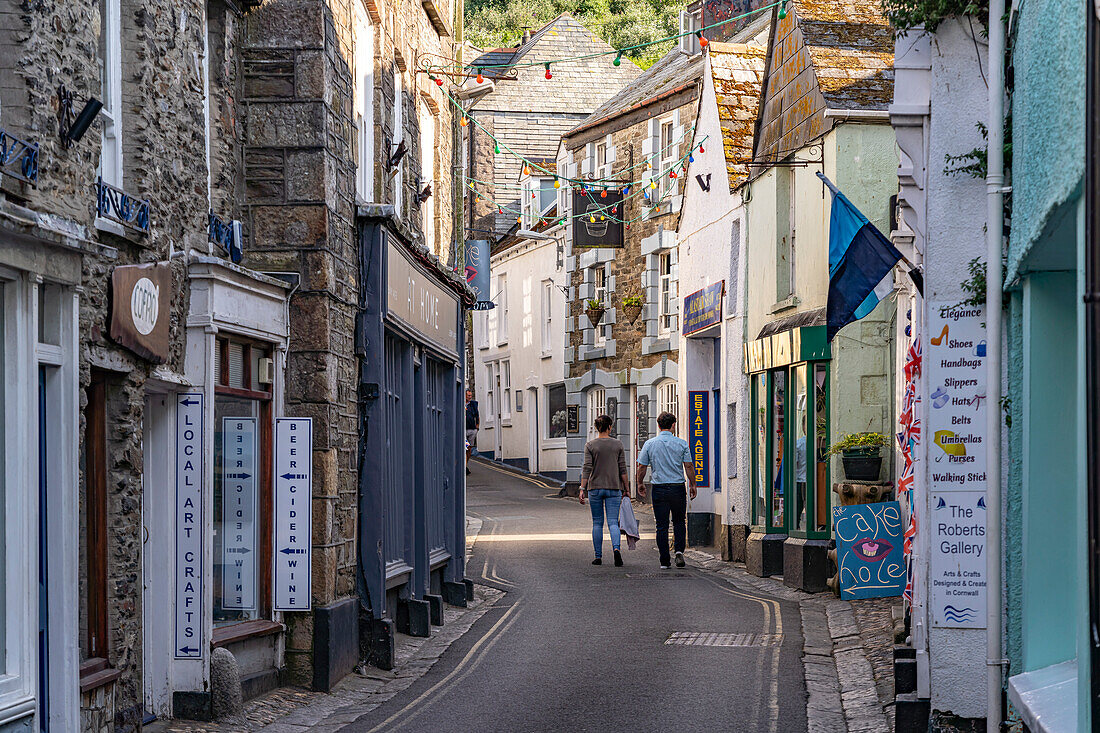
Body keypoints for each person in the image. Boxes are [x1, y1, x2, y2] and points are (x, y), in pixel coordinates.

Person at [636, 411, 697, 569]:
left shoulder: (650, 444)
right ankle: (679, 551)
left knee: (661, 525)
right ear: (673, 425)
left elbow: (642, 466)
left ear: (658, 425)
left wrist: (639, 483)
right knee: (679, 521)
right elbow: (688, 466)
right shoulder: (682, 443)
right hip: (677, 488)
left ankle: (664, 559)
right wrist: (693, 484)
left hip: (659, 488)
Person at [579, 414, 628, 567]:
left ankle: (598, 556)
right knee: (613, 522)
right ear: (610, 427)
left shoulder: (590, 445)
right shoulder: (618, 444)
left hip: (595, 488)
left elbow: (587, 468)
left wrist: (582, 488)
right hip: (614, 488)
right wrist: (626, 488)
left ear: (596, 428)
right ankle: (616, 549)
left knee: (597, 523)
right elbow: (622, 469)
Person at [465, 389, 479, 475]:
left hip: (472, 429)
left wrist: (477, 426)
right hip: (464, 430)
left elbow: (477, 415)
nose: (470, 397)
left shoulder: (473, 404)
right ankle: (464, 466)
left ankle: (465, 464)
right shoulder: (462, 403)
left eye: (470, 395)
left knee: (469, 448)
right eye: (468, 395)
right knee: (464, 448)